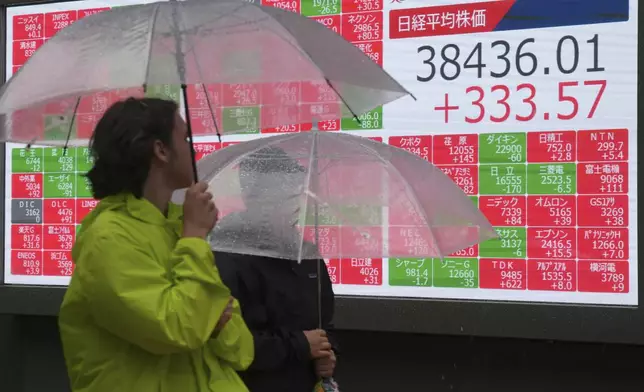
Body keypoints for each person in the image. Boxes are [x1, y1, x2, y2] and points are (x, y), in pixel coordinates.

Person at [58, 97, 254, 392]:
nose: (194, 148)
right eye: (185, 138)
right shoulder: (109, 238)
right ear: (161, 150)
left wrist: (215, 323)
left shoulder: (176, 228)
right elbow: (178, 329)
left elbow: (241, 350)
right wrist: (195, 237)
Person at [213, 146, 339, 392]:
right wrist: (302, 345)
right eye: (283, 197)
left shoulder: (307, 255)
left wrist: (329, 352)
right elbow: (235, 343)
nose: (293, 207)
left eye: (296, 194)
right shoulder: (227, 255)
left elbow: (326, 324)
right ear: (254, 199)